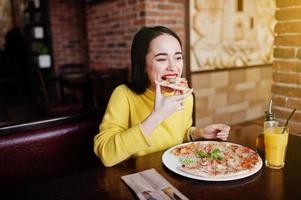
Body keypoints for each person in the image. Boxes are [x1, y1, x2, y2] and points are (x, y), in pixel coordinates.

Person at [94, 26, 230, 167]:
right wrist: (157, 115)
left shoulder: (185, 96)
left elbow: (179, 135)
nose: (172, 66)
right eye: (161, 59)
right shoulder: (123, 94)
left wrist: (199, 133)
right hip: (139, 174)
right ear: (143, 66)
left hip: (177, 168)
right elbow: (106, 155)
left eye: (178, 57)